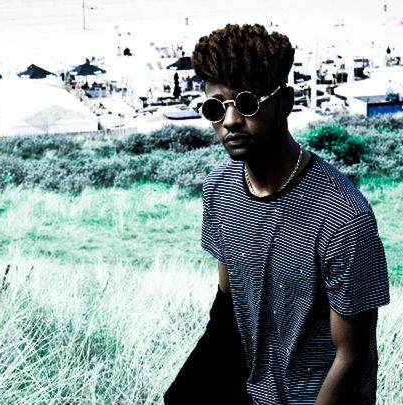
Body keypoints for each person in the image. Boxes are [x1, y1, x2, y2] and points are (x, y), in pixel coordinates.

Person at [164, 24, 389, 405]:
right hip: (250, 389)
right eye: (216, 107)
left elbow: (351, 358)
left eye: (247, 103)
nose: (230, 121)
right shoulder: (220, 188)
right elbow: (227, 303)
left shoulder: (344, 217)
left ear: (285, 101)